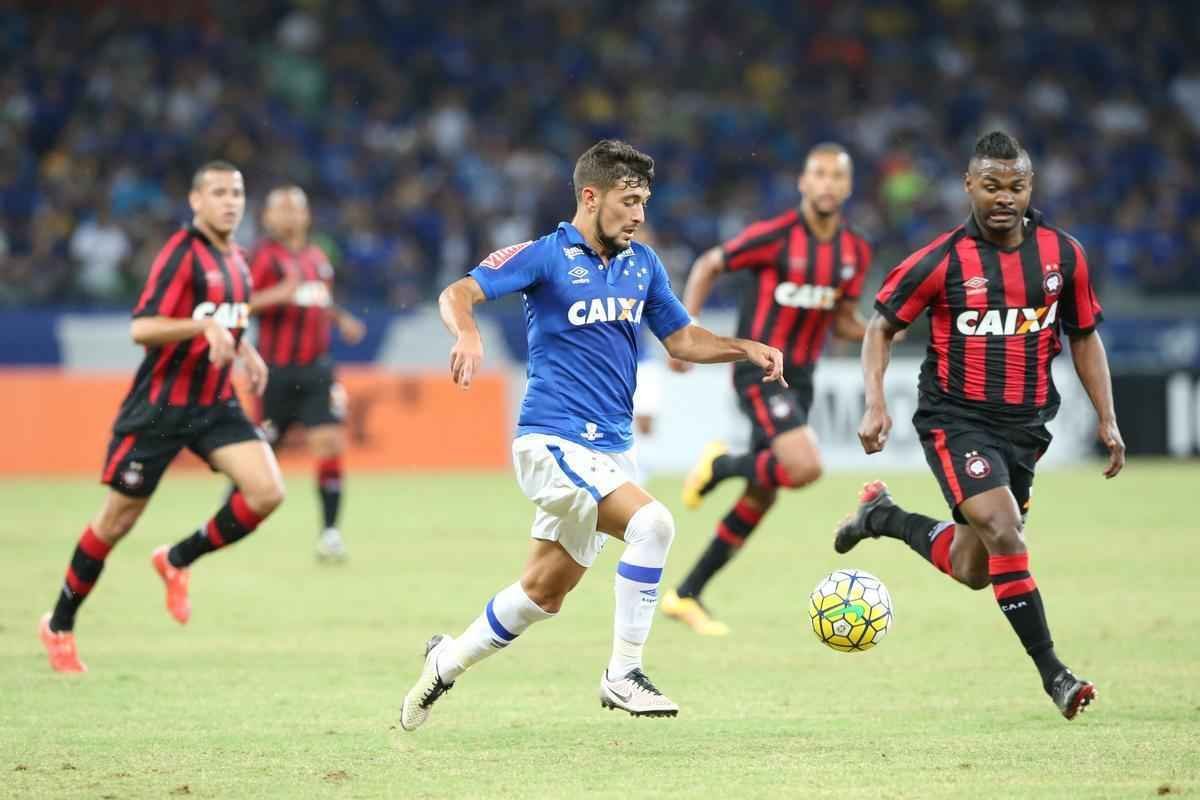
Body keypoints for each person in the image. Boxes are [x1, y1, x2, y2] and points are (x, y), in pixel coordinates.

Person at [398, 140, 785, 729]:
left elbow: (680, 339)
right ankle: (622, 673)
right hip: (551, 442)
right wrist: (468, 333)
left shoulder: (643, 264)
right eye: (629, 201)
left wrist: (742, 348)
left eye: (644, 203)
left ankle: (444, 662)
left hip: (609, 451)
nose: (638, 215)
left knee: (541, 594)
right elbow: (458, 293)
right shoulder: (546, 256)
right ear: (590, 196)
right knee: (653, 524)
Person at [835, 131, 1125, 720]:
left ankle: (881, 516)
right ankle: (1056, 676)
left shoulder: (1063, 256)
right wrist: (874, 403)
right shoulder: (941, 260)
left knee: (975, 567)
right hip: (955, 418)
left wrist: (1108, 419)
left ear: (1030, 187)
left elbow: (1085, 336)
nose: (1004, 198)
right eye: (991, 186)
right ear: (969, 186)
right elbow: (879, 328)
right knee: (1003, 528)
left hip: (1026, 426)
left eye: (1016, 186)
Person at [38, 161, 285, 673]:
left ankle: (176, 559)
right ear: (196, 201)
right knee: (116, 521)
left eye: (236, 192)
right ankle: (58, 623)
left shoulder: (238, 260)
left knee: (266, 492)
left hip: (214, 402)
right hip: (160, 406)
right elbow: (143, 327)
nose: (229, 201)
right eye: (217, 192)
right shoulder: (180, 254)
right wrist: (198, 328)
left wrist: (246, 352)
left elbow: (227, 322)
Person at [662, 143, 873, 635]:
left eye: (835, 177)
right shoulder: (775, 237)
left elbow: (842, 322)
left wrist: (884, 328)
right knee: (804, 467)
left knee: (762, 495)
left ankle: (686, 594)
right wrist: (685, 332)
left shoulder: (854, 252)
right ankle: (720, 464)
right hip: (759, 369)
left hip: (802, 379)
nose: (826, 184)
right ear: (803, 182)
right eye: (817, 174)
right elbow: (709, 265)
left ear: (847, 186)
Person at [248, 186, 365, 560]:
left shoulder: (318, 257)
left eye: (294, 208)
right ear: (267, 218)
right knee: (263, 454)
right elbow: (240, 304)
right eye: (280, 209)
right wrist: (278, 294)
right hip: (275, 371)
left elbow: (320, 299)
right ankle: (235, 509)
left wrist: (341, 318)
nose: (288, 215)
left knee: (329, 443)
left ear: (306, 215)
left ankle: (330, 533)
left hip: (317, 369)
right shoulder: (262, 258)